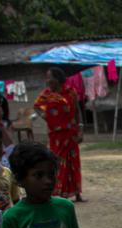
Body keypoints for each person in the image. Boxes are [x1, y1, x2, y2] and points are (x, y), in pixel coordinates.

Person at [34, 68, 85, 202]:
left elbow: (77, 112)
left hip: (71, 134)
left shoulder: (71, 92)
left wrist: (80, 129)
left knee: (73, 163)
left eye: (50, 77)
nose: (48, 80)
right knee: (57, 163)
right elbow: (37, 106)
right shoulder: (46, 95)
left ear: (57, 78)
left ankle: (77, 193)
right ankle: (60, 193)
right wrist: (45, 116)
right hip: (55, 136)